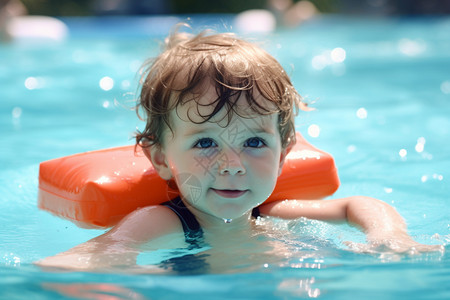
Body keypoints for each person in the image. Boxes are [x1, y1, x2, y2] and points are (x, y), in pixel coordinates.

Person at [37, 27, 443, 271]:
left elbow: (361, 205)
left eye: (253, 142)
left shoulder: (269, 211)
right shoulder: (165, 224)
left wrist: (389, 235)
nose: (232, 165)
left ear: (284, 152)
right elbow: (88, 258)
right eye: (206, 142)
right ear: (161, 158)